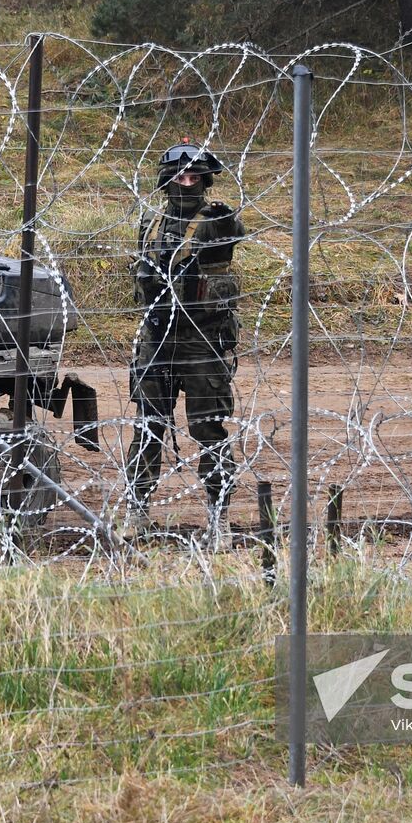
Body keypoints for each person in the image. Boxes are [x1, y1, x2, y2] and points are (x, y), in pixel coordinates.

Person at [126, 141, 246, 542]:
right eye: (181, 176)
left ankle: (219, 518)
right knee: (148, 428)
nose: (188, 182)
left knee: (208, 429)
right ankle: (137, 511)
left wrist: (225, 220)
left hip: (201, 341)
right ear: (167, 180)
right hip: (157, 338)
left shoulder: (214, 220)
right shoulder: (152, 223)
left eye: (195, 176)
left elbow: (233, 232)